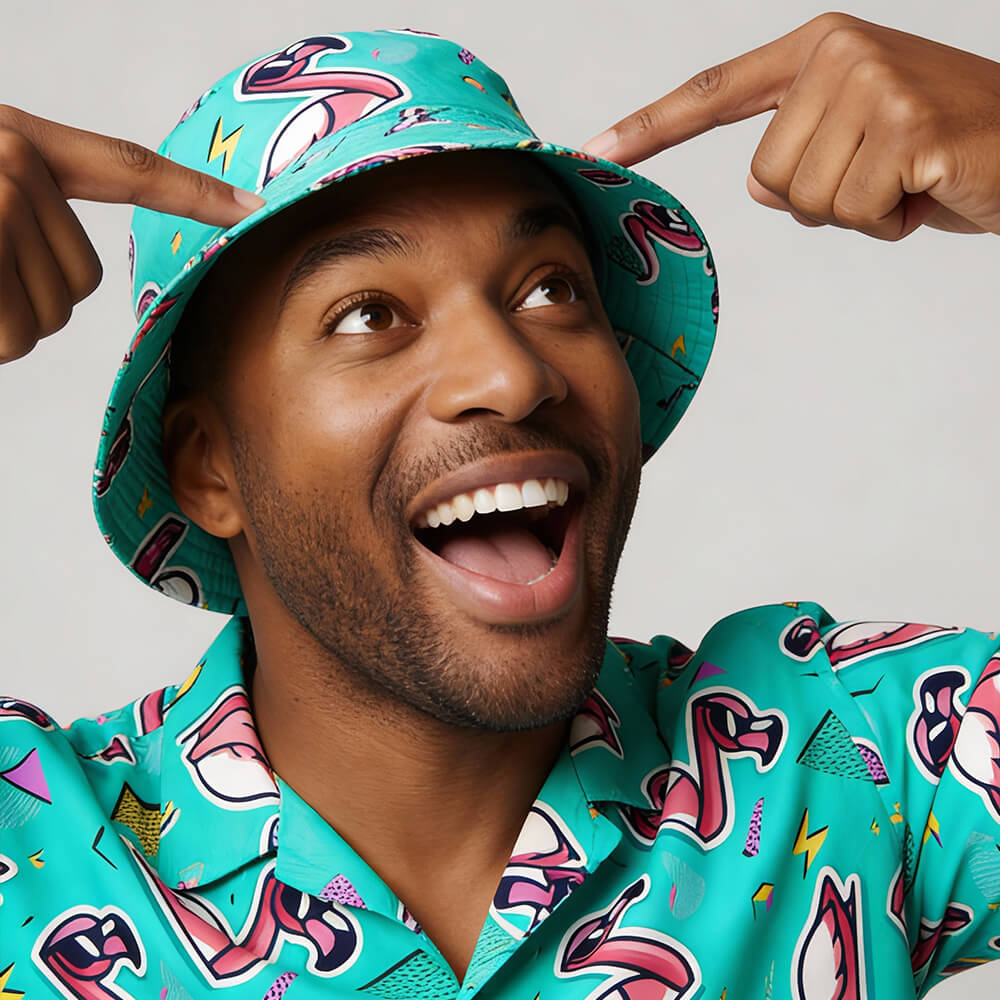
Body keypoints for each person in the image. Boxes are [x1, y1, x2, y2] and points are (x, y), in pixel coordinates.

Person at [0, 12, 998, 1000]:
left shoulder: (855, 752)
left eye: (550, 288)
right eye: (369, 313)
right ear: (210, 470)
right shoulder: (30, 844)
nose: (509, 374)